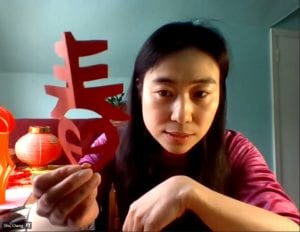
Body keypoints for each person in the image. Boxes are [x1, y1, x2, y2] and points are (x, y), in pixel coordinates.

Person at [33, 21, 300, 231]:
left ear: (220, 94)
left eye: (200, 94)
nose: (182, 115)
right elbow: (38, 223)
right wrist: (65, 214)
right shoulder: (112, 142)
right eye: (164, 92)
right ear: (139, 88)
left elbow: (288, 227)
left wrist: (189, 193)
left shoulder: (235, 150)